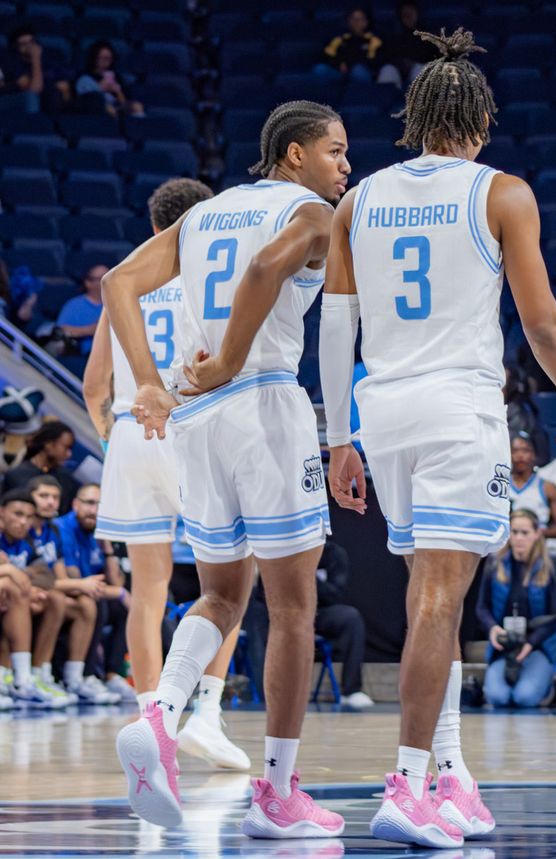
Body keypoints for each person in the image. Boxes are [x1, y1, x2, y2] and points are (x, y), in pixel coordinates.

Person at [319, 30, 556, 848]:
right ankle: (406, 780)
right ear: (478, 119)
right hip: (457, 410)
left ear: (415, 120)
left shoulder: (357, 199)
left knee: (431, 593)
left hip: (383, 410)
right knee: (444, 599)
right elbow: (539, 319)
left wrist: (340, 436)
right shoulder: (501, 192)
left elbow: (336, 327)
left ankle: (452, 771)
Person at [106, 99, 350, 836]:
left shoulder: (203, 215)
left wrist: (147, 381)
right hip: (262, 404)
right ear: (295, 153)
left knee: (219, 596)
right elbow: (267, 271)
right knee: (293, 607)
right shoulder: (311, 212)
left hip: (195, 417)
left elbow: (119, 283)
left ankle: (159, 712)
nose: (346, 166)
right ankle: (278, 795)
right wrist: (236, 358)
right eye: (336, 151)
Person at [83, 177, 249, 767]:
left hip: (131, 436)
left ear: (155, 226)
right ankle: (206, 710)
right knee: (228, 581)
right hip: (187, 426)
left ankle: (151, 717)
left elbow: (94, 385)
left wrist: (118, 438)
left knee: (145, 594)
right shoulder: (202, 280)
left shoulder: (124, 286)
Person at [245, 540, 373, 710]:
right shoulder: (282, 551)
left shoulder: (334, 554)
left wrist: (306, 576)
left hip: (318, 611)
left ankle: (351, 690)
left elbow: (335, 594)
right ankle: (266, 693)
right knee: (256, 613)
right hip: (280, 610)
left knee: (351, 617)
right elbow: (264, 590)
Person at [24, 475, 114, 705]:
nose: (50, 502)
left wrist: (78, 587)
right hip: (25, 594)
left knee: (85, 603)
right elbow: (40, 579)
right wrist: (80, 584)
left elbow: (60, 578)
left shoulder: (51, 531)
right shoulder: (21, 529)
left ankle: (75, 678)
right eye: (43, 496)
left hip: (47, 592)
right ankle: (34, 676)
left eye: (54, 497)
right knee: (57, 599)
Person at [476, 510, 556, 708]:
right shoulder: (495, 563)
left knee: (524, 698)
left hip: (539, 645)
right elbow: (482, 607)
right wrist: (492, 629)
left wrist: (531, 643)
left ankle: (545, 683)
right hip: (505, 645)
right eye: (514, 532)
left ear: (537, 534)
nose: (518, 538)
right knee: (498, 698)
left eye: (524, 533)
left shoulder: (549, 565)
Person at [54, 483, 134, 702]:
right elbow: (74, 579)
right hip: (70, 592)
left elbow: (116, 580)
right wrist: (117, 592)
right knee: (98, 602)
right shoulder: (63, 528)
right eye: (90, 503)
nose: (95, 511)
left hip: (89, 590)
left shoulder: (95, 533)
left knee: (124, 608)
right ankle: (85, 676)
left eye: (100, 505)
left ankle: (112, 674)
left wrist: (107, 547)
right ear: (75, 504)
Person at [0, 489, 73, 706]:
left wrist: (17, 575)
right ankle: (19, 678)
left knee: (50, 598)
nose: (24, 522)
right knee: (11, 588)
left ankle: (29, 678)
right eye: (18, 514)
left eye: (29, 517)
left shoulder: (28, 541)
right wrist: (12, 574)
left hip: (12, 598)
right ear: (2, 513)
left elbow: (47, 578)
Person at [2, 420, 79, 509]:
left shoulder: (67, 480)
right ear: (48, 444)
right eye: (66, 447)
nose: (69, 454)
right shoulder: (16, 475)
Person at [509, 434, 556, 539]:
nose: (520, 455)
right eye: (515, 451)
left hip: (537, 547)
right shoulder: (501, 485)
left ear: (534, 454)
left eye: (525, 450)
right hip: (504, 548)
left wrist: (531, 533)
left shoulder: (548, 487)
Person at [379, 2, 441, 86]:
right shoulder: (392, 37)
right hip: (399, 71)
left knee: (420, 70)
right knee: (387, 70)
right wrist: (403, 64)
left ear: (418, 14)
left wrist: (414, 65)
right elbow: (387, 57)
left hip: (421, 68)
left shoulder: (430, 36)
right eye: (405, 14)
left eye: (411, 13)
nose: (408, 17)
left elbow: (438, 58)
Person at [74, 41, 143, 117]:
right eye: (102, 58)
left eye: (109, 58)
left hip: (116, 108)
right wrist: (100, 88)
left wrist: (118, 92)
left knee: (136, 106)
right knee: (108, 109)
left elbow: (123, 102)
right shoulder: (85, 79)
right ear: (94, 58)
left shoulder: (116, 78)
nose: (105, 62)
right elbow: (87, 102)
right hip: (95, 112)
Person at [317, 8, 384, 83]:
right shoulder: (339, 38)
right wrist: (339, 64)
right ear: (348, 21)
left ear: (366, 22)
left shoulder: (375, 40)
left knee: (358, 70)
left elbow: (375, 61)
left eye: (360, 19)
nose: (356, 22)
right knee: (320, 69)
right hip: (340, 73)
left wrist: (349, 64)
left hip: (363, 73)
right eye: (353, 18)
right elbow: (327, 55)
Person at [56, 265, 107, 354]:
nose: (108, 282)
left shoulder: (119, 304)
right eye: (102, 278)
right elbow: (60, 331)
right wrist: (91, 330)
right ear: (88, 283)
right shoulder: (74, 306)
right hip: (85, 358)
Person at [0, 24, 46, 113]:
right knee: (30, 98)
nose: (30, 47)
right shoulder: (8, 62)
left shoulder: (47, 63)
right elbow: (34, 92)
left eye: (32, 42)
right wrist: (36, 58)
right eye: (24, 44)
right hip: (6, 101)